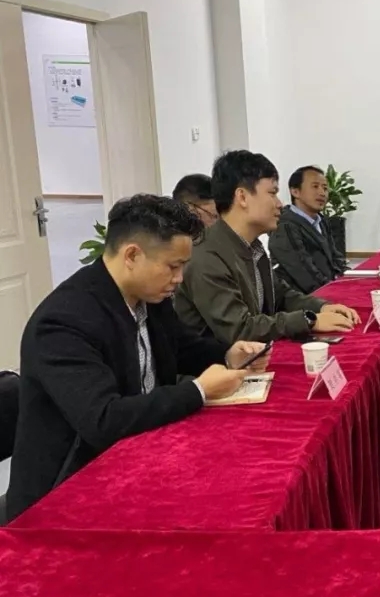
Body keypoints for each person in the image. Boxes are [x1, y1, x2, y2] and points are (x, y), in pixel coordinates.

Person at [6, 195, 268, 519]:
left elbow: (180, 347)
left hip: (140, 458)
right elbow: (103, 420)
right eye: (173, 266)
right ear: (132, 255)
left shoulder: (149, 295)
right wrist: (198, 391)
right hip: (68, 495)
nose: (179, 278)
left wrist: (228, 354)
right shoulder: (64, 322)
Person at [174, 150, 359, 344]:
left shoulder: (252, 247)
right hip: (221, 361)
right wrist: (308, 320)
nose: (279, 204)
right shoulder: (207, 256)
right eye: (272, 193)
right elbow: (239, 329)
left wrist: (321, 307)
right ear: (242, 197)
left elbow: (282, 296)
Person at [268, 165, 347, 294]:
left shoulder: (321, 220)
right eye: (315, 186)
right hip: (304, 299)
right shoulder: (285, 225)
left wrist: (348, 277)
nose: (322, 193)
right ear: (295, 192)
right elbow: (304, 273)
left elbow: (335, 257)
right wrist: (333, 292)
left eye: (325, 188)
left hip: (327, 289)